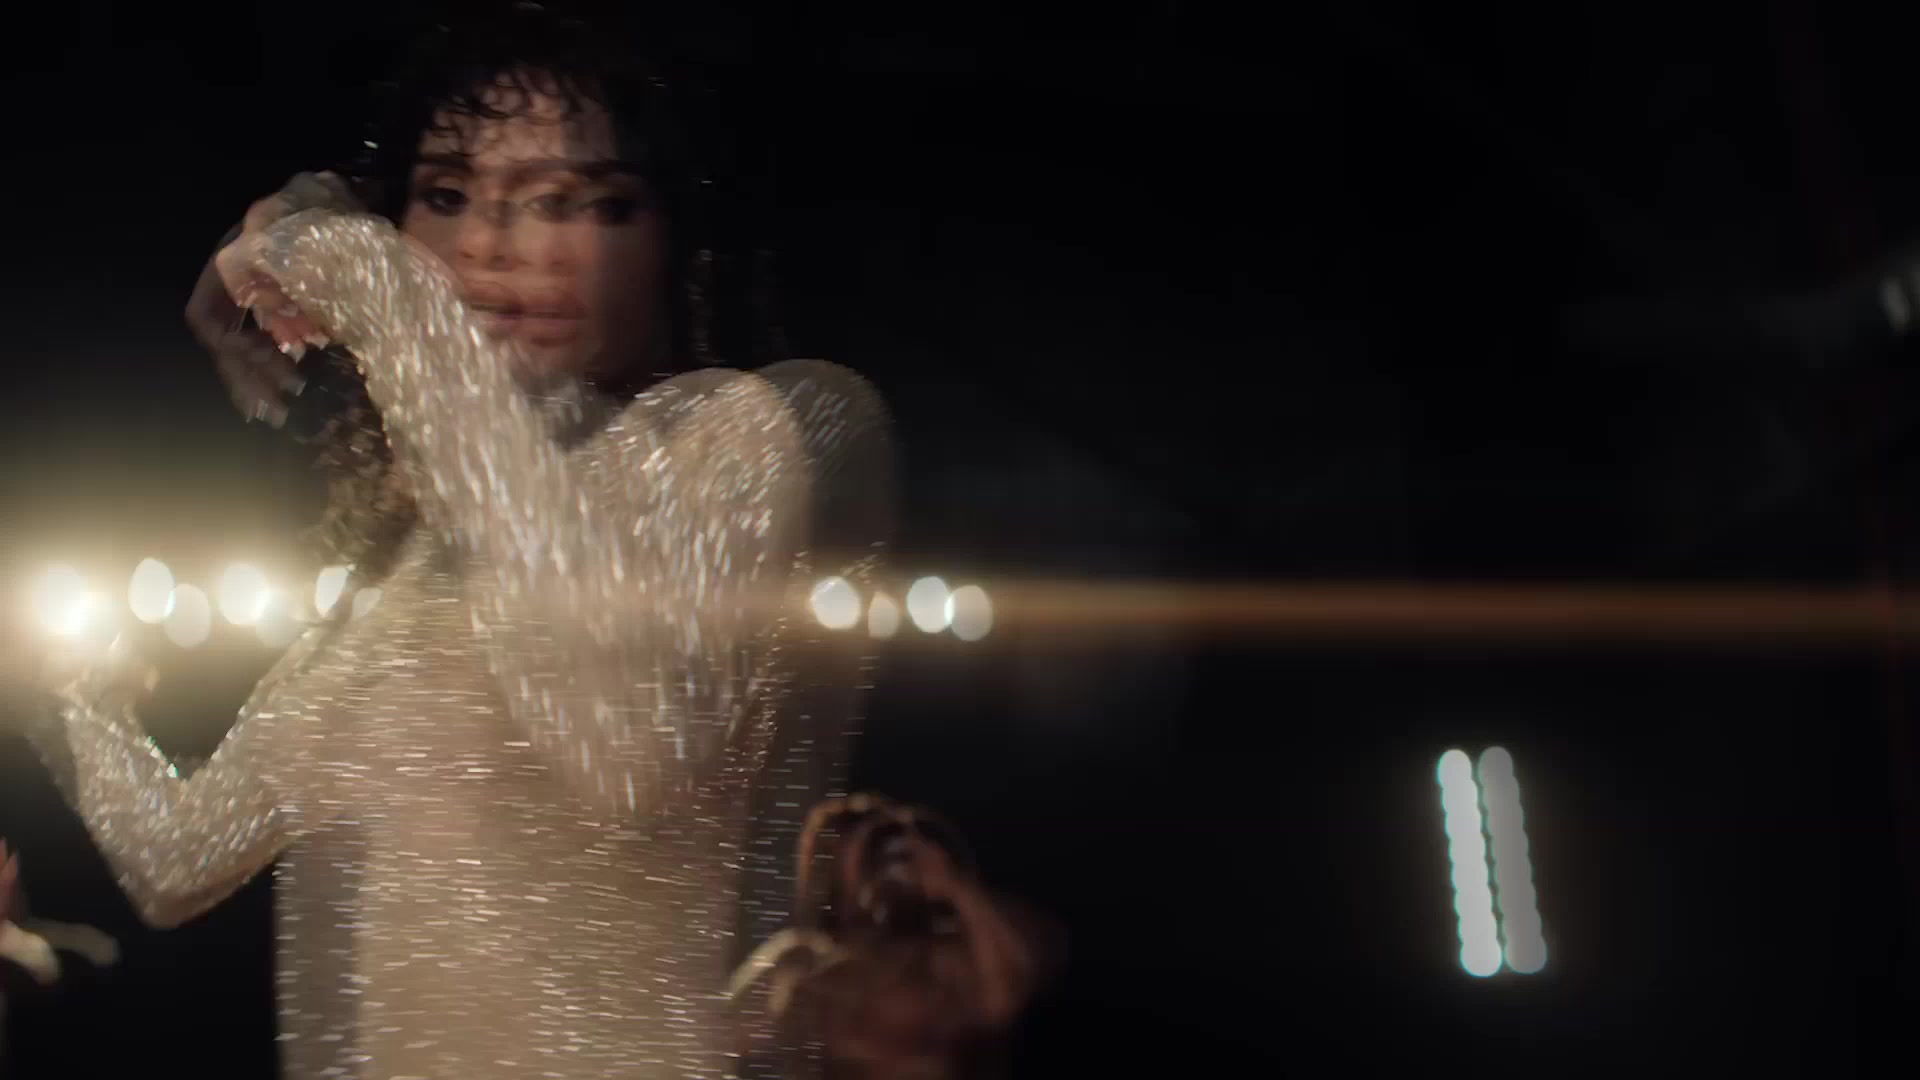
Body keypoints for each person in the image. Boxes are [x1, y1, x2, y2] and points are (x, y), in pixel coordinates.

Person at [11, 4, 894, 1077]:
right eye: (446, 194)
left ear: (671, 238)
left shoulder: (755, 428)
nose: (492, 244)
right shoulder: (407, 587)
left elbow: (619, 731)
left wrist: (354, 271)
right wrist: (68, 688)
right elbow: (179, 859)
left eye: (575, 200)